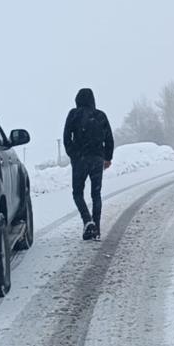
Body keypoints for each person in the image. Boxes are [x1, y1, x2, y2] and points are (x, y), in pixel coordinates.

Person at [63, 88, 114, 240]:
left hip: (80, 159)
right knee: (96, 193)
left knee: (77, 193)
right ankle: (96, 228)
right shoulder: (100, 115)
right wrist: (107, 158)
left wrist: (74, 155)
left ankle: (87, 221)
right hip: (97, 158)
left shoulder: (73, 114)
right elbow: (109, 139)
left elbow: (66, 137)